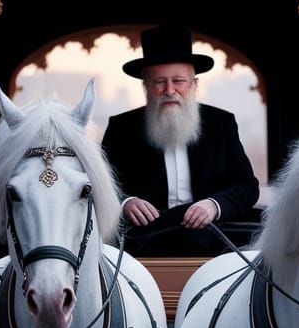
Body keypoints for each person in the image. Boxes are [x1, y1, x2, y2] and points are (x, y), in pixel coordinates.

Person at [101, 26, 260, 255]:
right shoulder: (122, 128)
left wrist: (214, 206)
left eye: (178, 81)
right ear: (146, 86)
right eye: (159, 82)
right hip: (144, 243)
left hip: (212, 241)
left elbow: (247, 186)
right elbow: (100, 185)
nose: (169, 90)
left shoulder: (221, 124)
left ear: (193, 84)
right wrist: (126, 203)